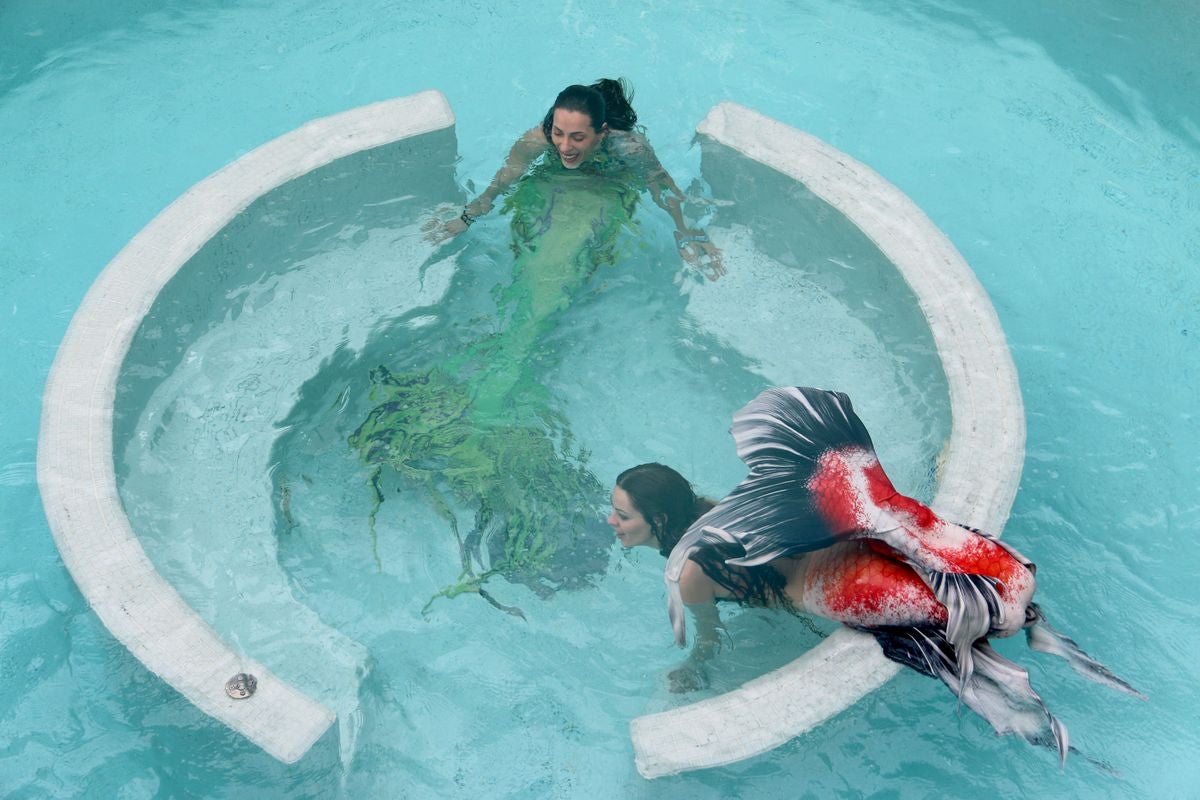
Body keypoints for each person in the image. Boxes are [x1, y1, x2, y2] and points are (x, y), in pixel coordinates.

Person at [610, 387, 1144, 764]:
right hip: (844, 542)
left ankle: (1043, 726)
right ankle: (1031, 628)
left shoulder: (690, 575)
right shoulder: (715, 507)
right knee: (943, 566)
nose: (612, 523)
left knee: (951, 629)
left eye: (622, 515)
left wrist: (695, 669)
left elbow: (710, 637)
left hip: (827, 588)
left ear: (658, 520)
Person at [424, 78, 724, 279]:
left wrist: (685, 230)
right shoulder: (537, 140)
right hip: (555, 176)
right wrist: (469, 215)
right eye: (558, 133)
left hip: (610, 175)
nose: (565, 147)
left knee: (601, 241)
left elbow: (661, 186)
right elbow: (505, 178)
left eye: (577, 137)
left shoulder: (628, 147)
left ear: (602, 131)